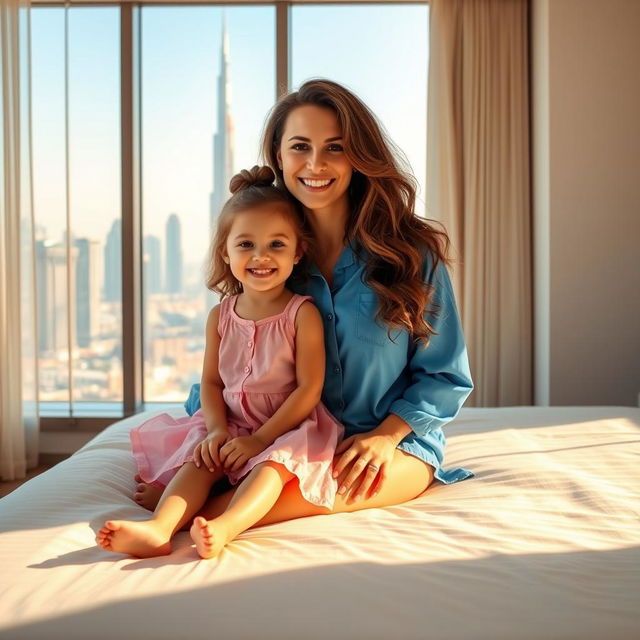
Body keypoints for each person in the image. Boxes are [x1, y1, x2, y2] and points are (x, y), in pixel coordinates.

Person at [175, 78, 475, 529]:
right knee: (208, 488)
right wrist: (216, 437)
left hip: (385, 446)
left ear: (359, 155)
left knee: (212, 512)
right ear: (279, 155)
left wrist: (383, 437)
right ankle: (187, 513)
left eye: (335, 147)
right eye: (300, 146)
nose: (316, 164)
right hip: (277, 443)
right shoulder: (269, 256)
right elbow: (235, 365)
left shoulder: (412, 255)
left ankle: (191, 519)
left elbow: (445, 375)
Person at [96, 165, 344, 559]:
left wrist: (261, 440)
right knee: (201, 458)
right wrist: (215, 430)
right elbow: (211, 383)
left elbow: (309, 388)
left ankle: (225, 526)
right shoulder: (221, 315)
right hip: (230, 421)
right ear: (225, 253)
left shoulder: (303, 314)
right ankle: (159, 529)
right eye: (245, 245)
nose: (260, 256)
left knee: (272, 468)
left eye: (277, 245)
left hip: (285, 427)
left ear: (298, 252)